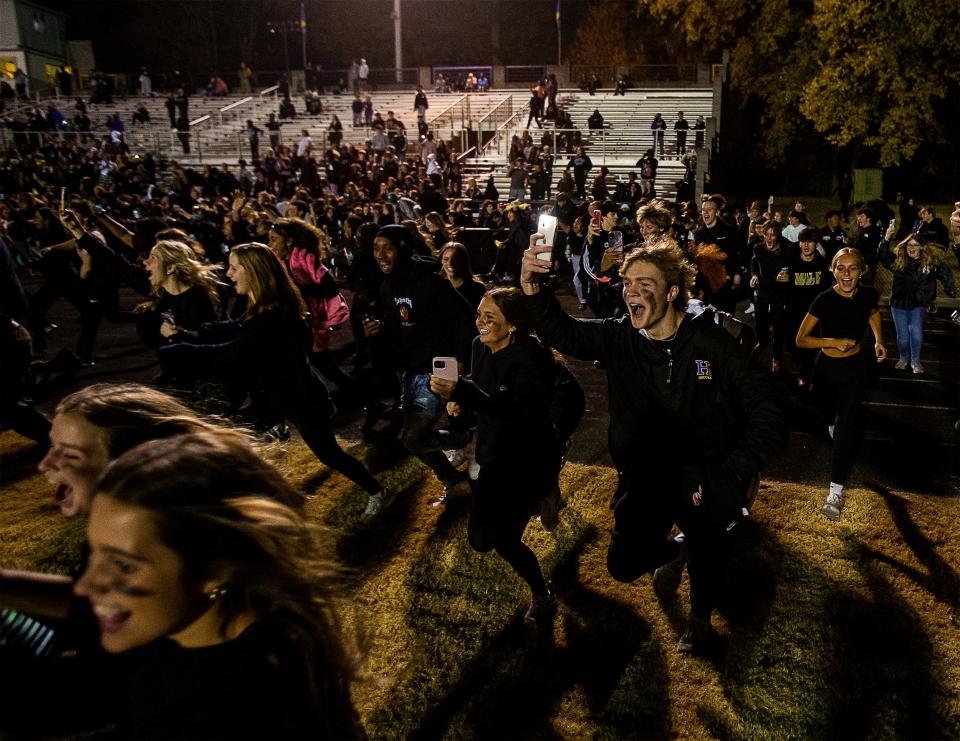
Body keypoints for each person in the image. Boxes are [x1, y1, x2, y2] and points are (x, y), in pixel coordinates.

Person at [519, 237, 784, 653]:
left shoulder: (712, 344)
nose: (631, 292)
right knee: (622, 564)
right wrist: (533, 288)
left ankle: (699, 621)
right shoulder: (620, 337)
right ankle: (671, 551)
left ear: (672, 291)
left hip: (701, 472)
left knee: (706, 553)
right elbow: (564, 332)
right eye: (627, 283)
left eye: (644, 283)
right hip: (644, 474)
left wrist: (732, 471)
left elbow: (768, 410)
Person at [0, 384, 257, 739]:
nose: (45, 464)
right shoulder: (141, 521)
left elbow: (104, 671)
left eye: (68, 454)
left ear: (128, 462)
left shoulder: (162, 537)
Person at [73, 430, 362, 738]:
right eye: (94, 554)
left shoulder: (239, 705)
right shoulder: (213, 635)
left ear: (215, 567)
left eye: (123, 565)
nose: (85, 586)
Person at [158, 243, 390, 516]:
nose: (229, 274)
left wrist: (178, 348)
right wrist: (192, 332)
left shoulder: (273, 315)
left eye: (234, 268)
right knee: (237, 438)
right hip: (274, 397)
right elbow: (236, 329)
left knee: (329, 454)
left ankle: (378, 491)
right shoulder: (262, 305)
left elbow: (233, 355)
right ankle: (258, 494)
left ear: (254, 272)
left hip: (299, 398)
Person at [429, 288, 562, 624]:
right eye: (478, 315)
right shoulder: (478, 347)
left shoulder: (532, 358)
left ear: (512, 325)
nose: (480, 323)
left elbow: (515, 411)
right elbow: (483, 392)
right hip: (493, 454)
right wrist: (458, 402)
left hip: (527, 460)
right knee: (480, 540)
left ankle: (541, 593)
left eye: (490, 318)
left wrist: (464, 391)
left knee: (504, 540)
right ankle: (543, 501)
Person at [364, 225, 475, 501]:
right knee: (415, 438)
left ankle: (469, 440)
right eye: (376, 248)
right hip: (411, 371)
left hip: (439, 367)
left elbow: (464, 317)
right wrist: (378, 332)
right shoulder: (388, 286)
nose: (380, 255)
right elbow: (398, 328)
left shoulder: (431, 282)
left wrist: (459, 360)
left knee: (412, 438)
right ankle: (457, 478)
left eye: (387, 248)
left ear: (402, 248)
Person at [796, 248, 886, 521]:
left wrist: (878, 339)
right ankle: (831, 422)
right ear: (832, 270)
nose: (847, 274)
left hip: (855, 368)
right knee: (824, 412)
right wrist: (833, 342)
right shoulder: (823, 300)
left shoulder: (869, 294)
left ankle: (834, 494)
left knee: (846, 427)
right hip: (825, 369)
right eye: (841, 268)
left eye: (853, 269)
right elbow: (801, 339)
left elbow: (872, 313)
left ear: (862, 271)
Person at [877, 228, 956, 374]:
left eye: (915, 245)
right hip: (898, 305)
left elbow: (944, 272)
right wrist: (887, 237)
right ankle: (903, 358)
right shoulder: (898, 261)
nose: (911, 248)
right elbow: (882, 256)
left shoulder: (930, 262)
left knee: (916, 334)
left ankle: (915, 361)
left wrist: (949, 289)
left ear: (922, 247)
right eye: (909, 245)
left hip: (917, 305)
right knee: (903, 337)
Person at [136, 239, 220, 350]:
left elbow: (203, 346)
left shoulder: (196, 299)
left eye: (153, 258)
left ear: (170, 268)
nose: (145, 262)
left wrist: (175, 335)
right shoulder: (165, 292)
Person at [439, 242, 486, 310]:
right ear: (441, 261)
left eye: (455, 259)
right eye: (446, 259)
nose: (450, 263)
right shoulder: (435, 287)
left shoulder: (477, 289)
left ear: (463, 261)